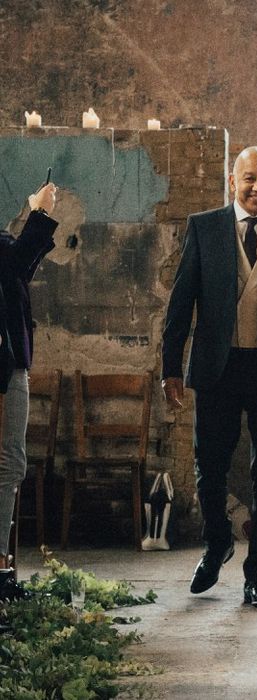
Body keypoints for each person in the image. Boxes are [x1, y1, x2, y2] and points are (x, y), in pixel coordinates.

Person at [162, 146, 257, 610]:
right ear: (232, 180)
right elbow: (181, 302)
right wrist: (170, 368)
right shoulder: (204, 228)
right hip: (216, 368)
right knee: (210, 467)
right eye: (249, 179)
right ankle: (217, 541)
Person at [0, 182, 58, 600]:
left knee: (11, 465)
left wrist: (34, 220)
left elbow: (20, 267)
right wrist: (37, 214)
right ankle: (0, 570)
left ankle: (2, 567)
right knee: (9, 465)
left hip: (12, 358)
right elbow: (15, 265)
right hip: (6, 364)